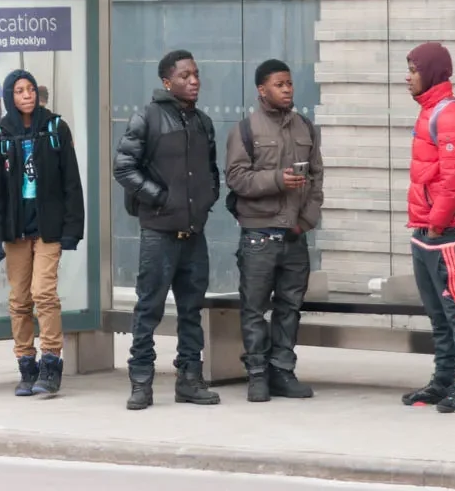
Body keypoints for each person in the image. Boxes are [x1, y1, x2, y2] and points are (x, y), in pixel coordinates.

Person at [114, 49, 221, 410]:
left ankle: (190, 379)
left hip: (194, 233)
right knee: (148, 309)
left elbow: (212, 171)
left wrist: (207, 200)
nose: (194, 81)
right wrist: (159, 198)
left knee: (192, 311)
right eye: (185, 76)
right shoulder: (147, 117)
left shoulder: (203, 122)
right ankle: (141, 380)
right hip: (158, 234)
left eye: (196, 74)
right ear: (166, 81)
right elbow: (124, 168)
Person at [224, 59, 323, 403]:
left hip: (294, 234)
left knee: (290, 307)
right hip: (258, 235)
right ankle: (256, 373)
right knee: (253, 307)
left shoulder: (306, 128)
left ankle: (282, 370)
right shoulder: (246, 130)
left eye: (290, 83)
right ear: (262, 90)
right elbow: (236, 178)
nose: (287, 90)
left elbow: (317, 179)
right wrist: (276, 179)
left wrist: (305, 222)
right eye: (279, 84)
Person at [0, 69, 85, 397]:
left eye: (30, 89)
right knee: (19, 300)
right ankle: (26, 364)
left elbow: (72, 181)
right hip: (16, 231)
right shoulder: (0, 134)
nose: (26, 95)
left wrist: (72, 229)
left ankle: (51, 361)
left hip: (48, 229)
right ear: (9, 97)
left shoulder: (55, 128)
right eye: (19, 91)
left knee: (44, 293)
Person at [401, 42, 455, 414]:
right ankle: (444, 379)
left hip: (443, 231)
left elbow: (454, 180)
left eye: (414, 70)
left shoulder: (448, 115)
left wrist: (436, 225)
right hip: (425, 228)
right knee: (437, 313)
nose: (408, 77)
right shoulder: (430, 111)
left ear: (432, 72)